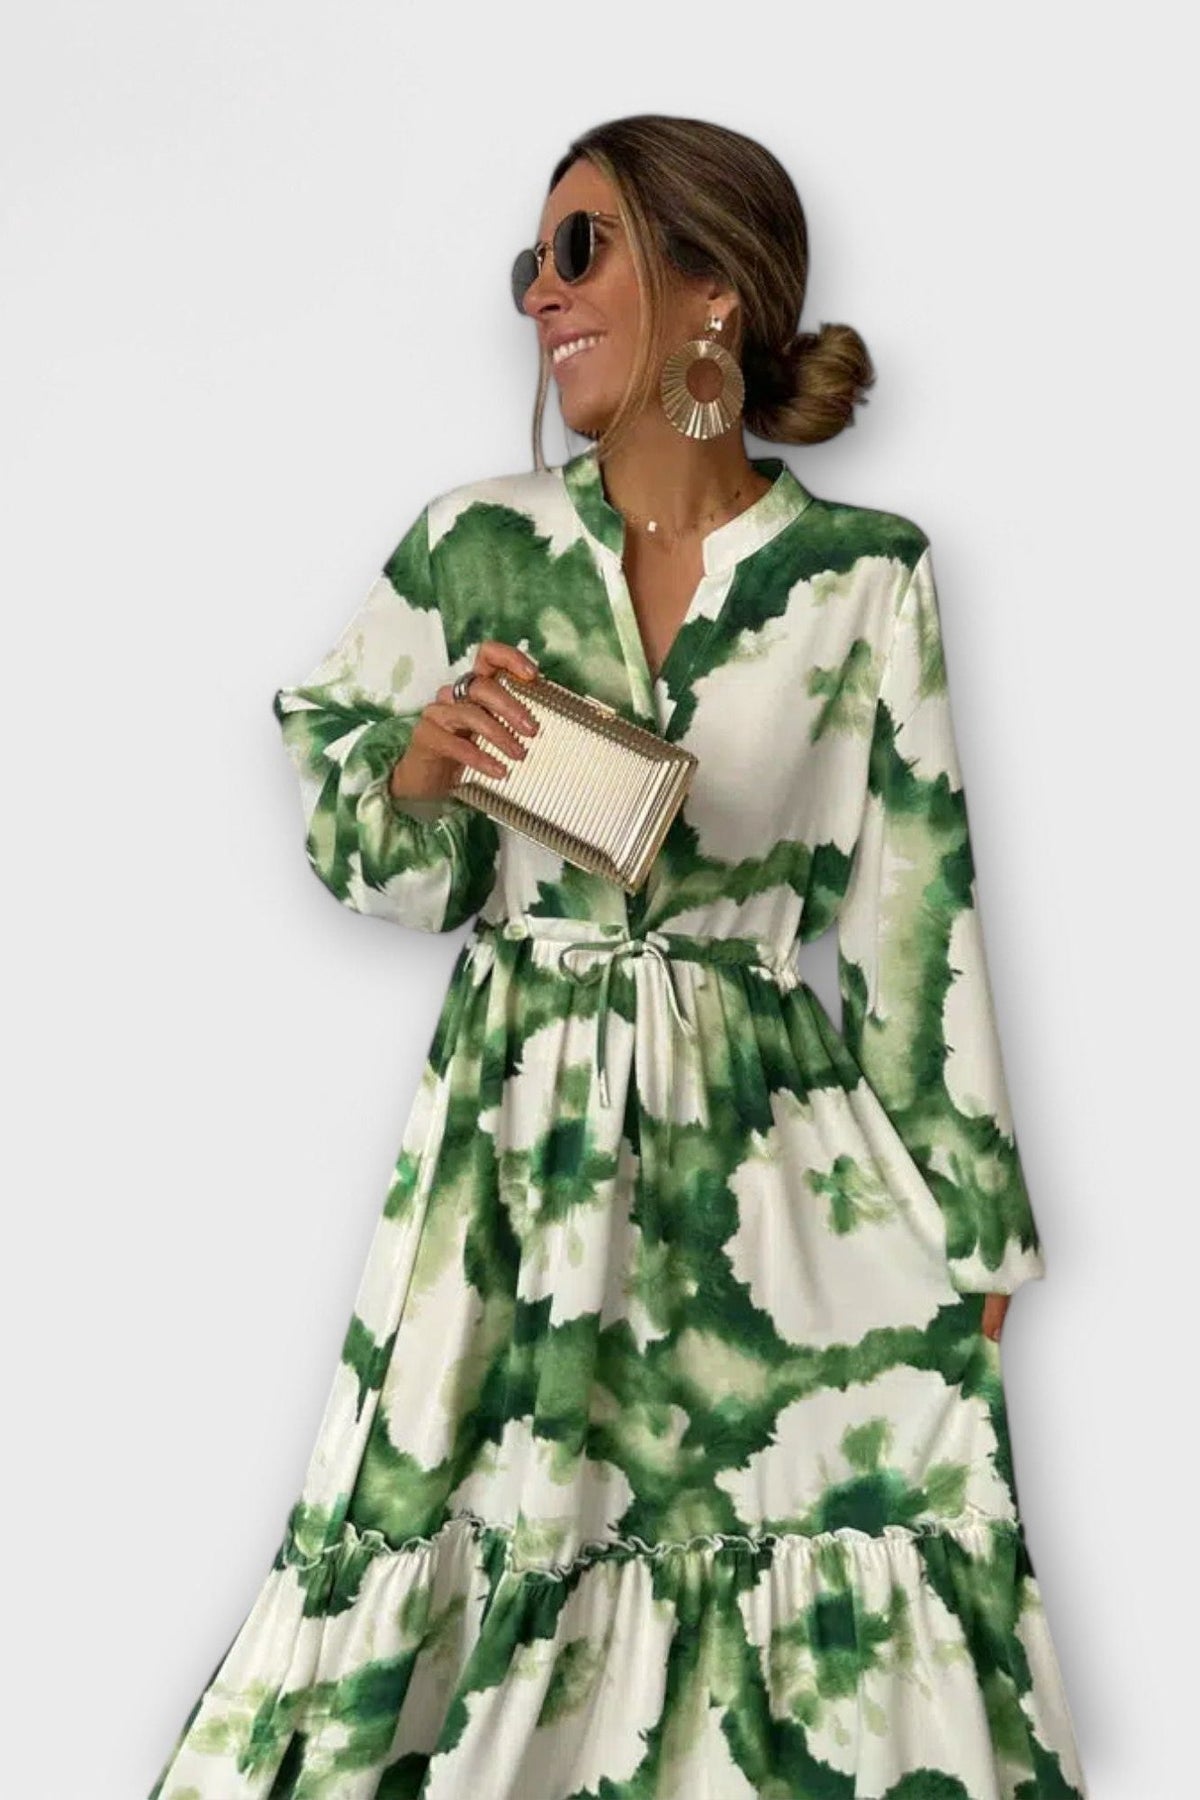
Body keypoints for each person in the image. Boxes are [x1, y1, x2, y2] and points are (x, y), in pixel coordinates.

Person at [147, 114, 1087, 1799]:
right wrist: (416, 774)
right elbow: (377, 859)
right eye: (534, 261)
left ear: (713, 288)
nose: (539, 294)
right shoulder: (475, 546)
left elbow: (915, 916)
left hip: (768, 1188)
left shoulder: (863, 579)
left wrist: (972, 1222)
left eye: (580, 249)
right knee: (477, 1534)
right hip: (517, 1157)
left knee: (788, 1563)